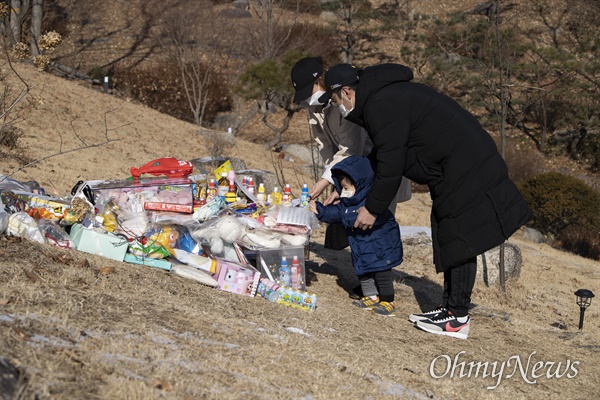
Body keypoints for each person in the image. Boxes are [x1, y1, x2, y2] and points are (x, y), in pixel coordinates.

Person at [318, 63, 533, 339]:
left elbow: (391, 165)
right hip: (456, 162)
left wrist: (372, 208)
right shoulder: (382, 98)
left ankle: (456, 318)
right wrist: (344, 182)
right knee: (449, 231)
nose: (338, 107)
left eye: (336, 101)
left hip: (464, 162)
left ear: (347, 92)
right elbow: (383, 155)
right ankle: (449, 309)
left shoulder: (380, 104)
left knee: (459, 234)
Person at [291, 57, 411, 298]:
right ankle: (369, 283)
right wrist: (336, 180)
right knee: (359, 228)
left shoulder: (344, 100)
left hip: (377, 171)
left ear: (320, 82)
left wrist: (326, 181)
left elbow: (351, 147)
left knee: (376, 228)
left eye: (309, 91)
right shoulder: (315, 109)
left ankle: (382, 287)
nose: (307, 99)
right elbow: (325, 147)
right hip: (349, 175)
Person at [309, 155, 403, 316]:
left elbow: (374, 219)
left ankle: (388, 300)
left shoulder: (373, 203)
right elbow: (336, 213)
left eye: (347, 188)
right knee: (363, 273)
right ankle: (371, 296)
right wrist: (320, 210)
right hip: (361, 248)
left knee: (382, 274)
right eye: (342, 188)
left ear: (360, 185)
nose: (343, 192)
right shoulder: (347, 203)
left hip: (380, 248)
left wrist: (349, 215)